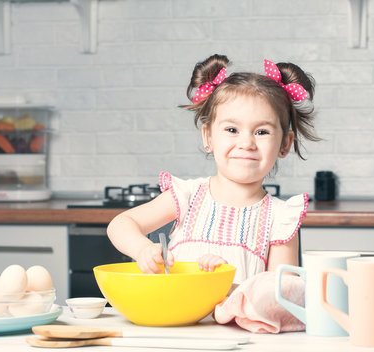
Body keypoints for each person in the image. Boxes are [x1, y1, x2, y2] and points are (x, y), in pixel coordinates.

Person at [107, 54, 318, 286]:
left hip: (236, 323)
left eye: (262, 132)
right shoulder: (187, 195)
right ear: (208, 136)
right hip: (173, 320)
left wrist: (224, 285)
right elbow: (120, 224)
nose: (246, 143)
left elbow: (281, 294)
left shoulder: (281, 219)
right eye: (231, 129)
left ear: (285, 144)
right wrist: (143, 249)